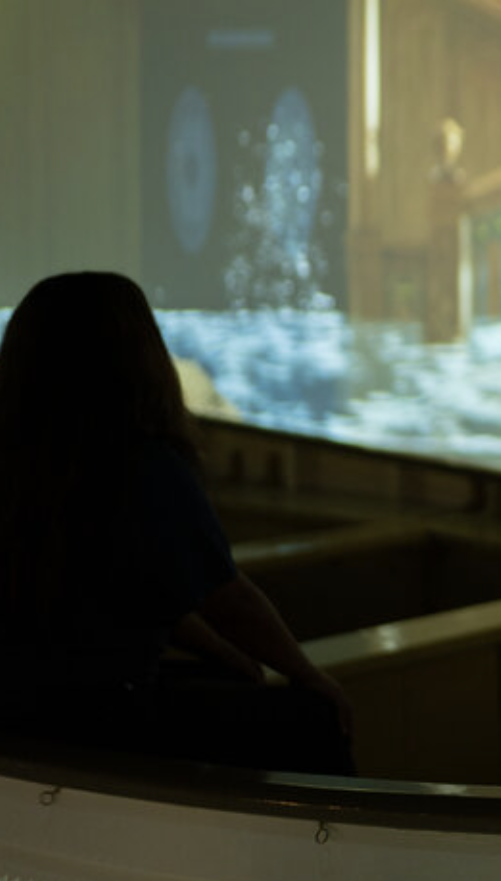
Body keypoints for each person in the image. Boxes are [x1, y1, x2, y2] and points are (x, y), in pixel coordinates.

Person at [0, 271, 353, 774]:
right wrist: (309, 674)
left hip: (19, 712)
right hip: (104, 718)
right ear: (136, 356)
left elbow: (143, 591)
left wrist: (221, 652)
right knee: (315, 722)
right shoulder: (140, 463)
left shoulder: (20, 459)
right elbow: (226, 597)